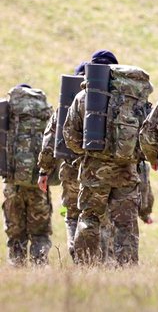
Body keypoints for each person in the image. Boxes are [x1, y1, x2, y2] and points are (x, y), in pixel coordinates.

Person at [63, 50, 152, 265]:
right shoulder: (136, 97)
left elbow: (69, 135)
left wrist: (87, 152)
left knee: (90, 218)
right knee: (126, 224)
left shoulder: (84, 97)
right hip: (127, 172)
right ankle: (127, 269)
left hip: (94, 171)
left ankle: (86, 267)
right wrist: (135, 156)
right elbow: (148, 135)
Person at [38, 62, 86, 262]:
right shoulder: (114, 97)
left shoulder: (68, 102)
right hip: (106, 169)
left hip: (72, 170)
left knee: (73, 214)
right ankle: (100, 259)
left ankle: (77, 253)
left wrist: (44, 171)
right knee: (99, 215)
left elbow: (50, 140)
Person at [1, 84, 53, 266]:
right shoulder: (43, 111)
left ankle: (17, 267)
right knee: (40, 232)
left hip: (12, 182)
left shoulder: (8, 111)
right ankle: (40, 267)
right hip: (39, 183)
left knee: (15, 233)